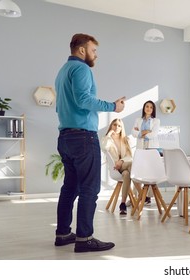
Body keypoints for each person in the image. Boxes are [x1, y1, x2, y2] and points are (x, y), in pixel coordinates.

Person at [54, 33, 124, 252]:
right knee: (89, 189)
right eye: (94, 50)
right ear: (82, 50)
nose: (96, 55)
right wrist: (113, 107)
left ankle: (63, 233)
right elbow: (84, 100)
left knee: (70, 188)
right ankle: (84, 239)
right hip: (83, 137)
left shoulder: (63, 71)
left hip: (65, 136)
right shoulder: (82, 69)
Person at [101, 119, 133, 215]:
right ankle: (142, 194)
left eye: (119, 126)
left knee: (127, 173)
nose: (116, 127)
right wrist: (109, 135)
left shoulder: (126, 139)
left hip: (125, 167)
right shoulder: (106, 139)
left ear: (122, 128)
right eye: (114, 125)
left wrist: (121, 161)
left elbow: (129, 156)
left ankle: (122, 204)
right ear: (111, 126)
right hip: (115, 169)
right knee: (134, 167)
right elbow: (104, 148)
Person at [132, 100, 161, 205]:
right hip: (140, 149)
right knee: (139, 172)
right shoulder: (138, 120)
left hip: (152, 148)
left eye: (151, 107)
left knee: (150, 172)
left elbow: (154, 134)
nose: (148, 108)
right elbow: (133, 133)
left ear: (153, 110)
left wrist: (141, 133)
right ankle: (140, 195)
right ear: (144, 108)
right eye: (147, 106)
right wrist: (146, 132)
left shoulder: (156, 121)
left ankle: (148, 196)